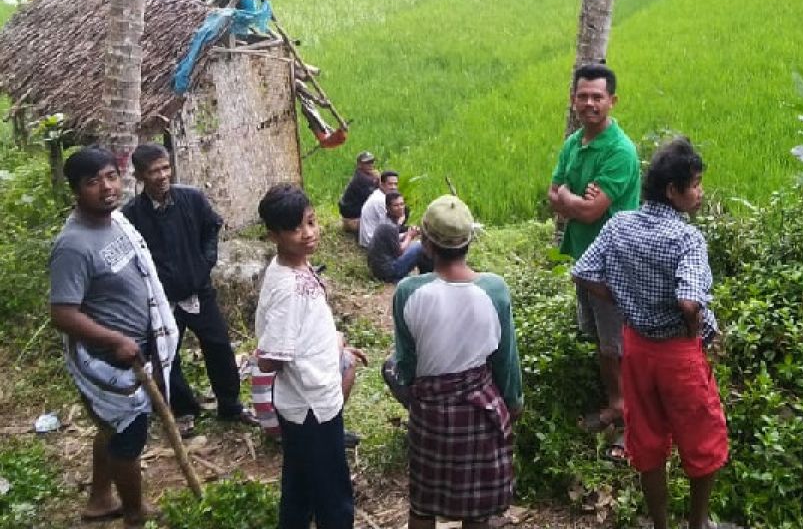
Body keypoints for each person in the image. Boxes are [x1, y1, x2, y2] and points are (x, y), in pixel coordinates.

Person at [571, 137, 730, 529]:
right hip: (678, 352)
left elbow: (583, 272)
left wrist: (625, 301)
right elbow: (690, 302)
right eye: (694, 184)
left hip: (637, 348)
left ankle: (660, 523)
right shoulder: (687, 238)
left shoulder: (620, 224)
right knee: (702, 436)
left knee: (648, 438)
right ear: (673, 191)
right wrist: (696, 336)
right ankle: (698, 522)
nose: (700, 192)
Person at [49, 146, 179, 528]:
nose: (106, 187)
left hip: (133, 347)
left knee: (110, 426)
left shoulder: (116, 222)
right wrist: (115, 340)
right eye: (92, 182)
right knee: (128, 438)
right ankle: (135, 515)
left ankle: (100, 500)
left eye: (110, 176)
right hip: (111, 360)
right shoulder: (73, 245)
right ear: (75, 190)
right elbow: (62, 313)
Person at [387, 195, 523, 529]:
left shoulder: (408, 290)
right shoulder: (495, 289)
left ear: (427, 245)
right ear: (469, 242)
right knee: (476, 510)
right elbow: (506, 361)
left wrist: (409, 390)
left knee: (423, 506)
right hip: (480, 410)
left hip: (430, 412)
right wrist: (514, 404)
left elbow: (405, 365)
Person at [255, 184, 365, 529]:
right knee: (333, 494)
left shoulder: (294, 268)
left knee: (300, 485)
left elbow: (303, 332)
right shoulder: (288, 288)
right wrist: (310, 357)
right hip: (311, 405)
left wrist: (334, 347)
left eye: (311, 222)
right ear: (273, 234)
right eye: (294, 228)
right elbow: (270, 358)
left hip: (307, 402)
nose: (308, 234)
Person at [122, 143, 251, 435]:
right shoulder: (131, 216)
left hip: (199, 291)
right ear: (140, 176)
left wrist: (205, 263)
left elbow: (211, 229)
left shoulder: (191, 199)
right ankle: (183, 410)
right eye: (154, 171)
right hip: (162, 300)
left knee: (218, 345)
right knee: (167, 355)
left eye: (165, 168)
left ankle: (230, 405)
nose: (162, 175)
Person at [548, 63, 640, 437]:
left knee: (614, 342)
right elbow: (553, 195)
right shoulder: (574, 143)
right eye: (583, 96)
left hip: (613, 263)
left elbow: (589, 209)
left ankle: (623, 410)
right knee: (599, 336)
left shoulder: (619, 151)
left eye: (597, 97)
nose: (589, 103)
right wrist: (572, 199)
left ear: (612, 101)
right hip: (584, 259)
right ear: (573, 100)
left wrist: (571, 199)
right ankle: (617, 400)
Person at [366, 191, 427, 282]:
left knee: (414, 245)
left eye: (402, 204)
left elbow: (392, 239)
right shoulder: (390, 226)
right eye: (396, 205)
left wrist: (406, 234)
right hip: (387, 271)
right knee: (419, 246)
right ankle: (424, 276)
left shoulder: (385, 220)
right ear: (388, 208)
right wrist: (410, 236)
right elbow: (399, 251)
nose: (401, 208)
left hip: (377, 268)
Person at [338, 152, 379, 234]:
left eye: (371, 162)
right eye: (367, 163)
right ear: (359, 165)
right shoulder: (362, 179)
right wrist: (380, 181)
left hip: (350, 210)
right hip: (352, 214)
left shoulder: (364, 175)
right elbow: (375, 197)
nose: (370, 165)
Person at [358, 170, 399, 248]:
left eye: (396, 184)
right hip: (371, 242)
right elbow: (387, 228)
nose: (394, 187)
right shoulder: (381, 201)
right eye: (390, 184)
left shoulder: (379, 194)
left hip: (372, 237)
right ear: (382, 184)